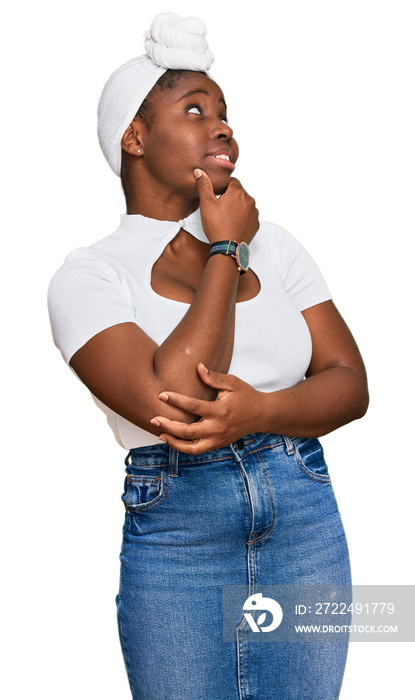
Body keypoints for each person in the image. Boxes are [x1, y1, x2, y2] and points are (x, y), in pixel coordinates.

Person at [48, 12, 369, 700]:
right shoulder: (89, 274)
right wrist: (223, 248)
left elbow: (349, 383)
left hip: (304, 520)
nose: (221, 126)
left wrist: (260, 410)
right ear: (134, 138)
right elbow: (170, 400)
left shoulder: (276, 243)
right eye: (194, 110)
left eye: (224, 113)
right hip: (179, 534)